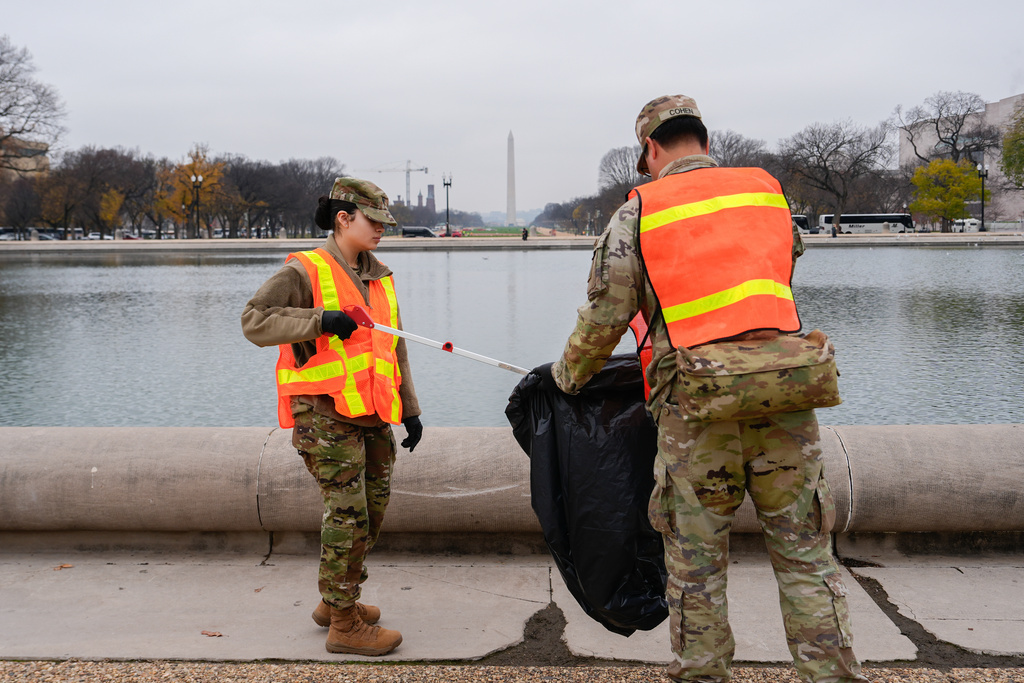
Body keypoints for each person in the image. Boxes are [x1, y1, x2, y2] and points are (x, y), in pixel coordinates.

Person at [544, 95, 866, 682]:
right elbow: (782, 264)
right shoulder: (765, 192)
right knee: (806, 557)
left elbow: (605, 316)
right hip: (785, 397)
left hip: (696, 414)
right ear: (704, 139)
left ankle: (703, 675)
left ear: (651, 148)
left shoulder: (639, 211)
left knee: (696, 569)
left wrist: (568, 378)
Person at [241, 177, 422, 656]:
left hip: (371, 413)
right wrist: (321, 319)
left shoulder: (380, 273)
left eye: (386, 221)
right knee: (349, 516)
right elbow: (253, 321)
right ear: (344, 219)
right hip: (323, 414)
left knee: (374, 510)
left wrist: (411, 409)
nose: (383, 229)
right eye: (374, 221)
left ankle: (335, 600)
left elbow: (393, 346)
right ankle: (344, 624)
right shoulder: (306, 269)